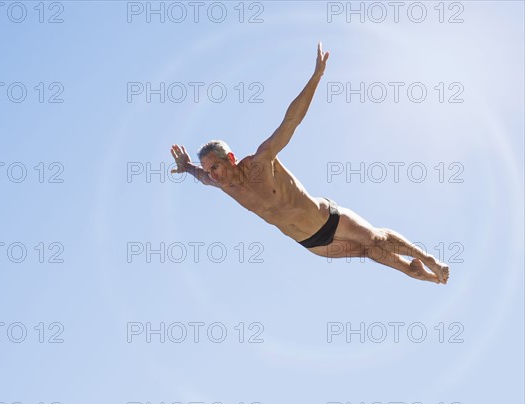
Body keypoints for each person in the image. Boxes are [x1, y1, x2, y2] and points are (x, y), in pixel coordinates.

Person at [170, 42, 449, 284]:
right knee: (368, 252)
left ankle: (427, 259)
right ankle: (412, 271)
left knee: (374, 240)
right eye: (209, 170)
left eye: (215, 167)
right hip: (312, 243)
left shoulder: (261, 160)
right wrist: (187, 169)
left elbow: (291, 121)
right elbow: (201, 177)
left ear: (229, 159)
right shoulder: (222, 184)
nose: (213, 175)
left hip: (327, 218)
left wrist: (316, 76)